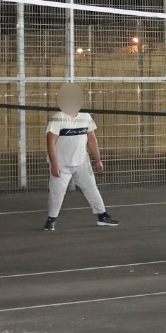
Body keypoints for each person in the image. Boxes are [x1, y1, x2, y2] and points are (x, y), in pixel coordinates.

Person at [42, 85, 119, 231]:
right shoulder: (58, 118)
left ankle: (102, 216)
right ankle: (51, 220)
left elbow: (92, 139)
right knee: (57, 193)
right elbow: (50, 142)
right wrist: (54, 164)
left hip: (82, 163)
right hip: (62, 164)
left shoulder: (85, 117)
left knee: (92, 188)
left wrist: (98, 160)